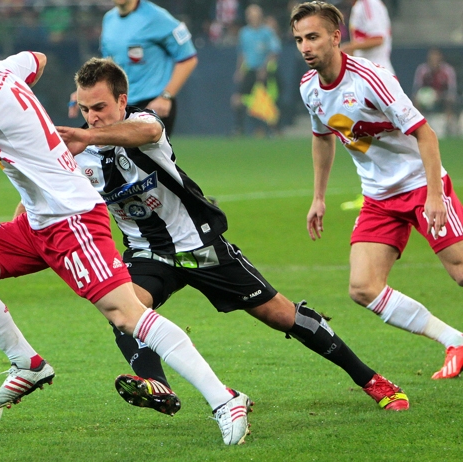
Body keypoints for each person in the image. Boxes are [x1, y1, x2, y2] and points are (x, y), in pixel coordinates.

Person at [0, 25, 250, 446]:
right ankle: (27, 364)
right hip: (36, 221)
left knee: (125, 315)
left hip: (72, 218)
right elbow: (38, 59)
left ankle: (225, 399)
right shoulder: (3, 71)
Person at [55, 57, 410, 417]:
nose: (91, 117)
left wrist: (88, 135)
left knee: (281, 315)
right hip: (149, 253)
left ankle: (371, 379)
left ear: (121, 101)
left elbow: (146, 133)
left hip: (200, 246)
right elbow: (46, 193)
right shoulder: (78, 155)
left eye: (100, 107)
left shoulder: (143, 123)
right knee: (120, 307)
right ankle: (157, 385)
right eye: (84, 110)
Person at [290, 1, 463, 380]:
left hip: (420, 184)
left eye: (313, 37)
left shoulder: (372, 78)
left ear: (337, 38)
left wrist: (435, 195)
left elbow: (425, 133)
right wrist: (318, 197)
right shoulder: (309, 89)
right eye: (300, 39)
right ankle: (455, 340)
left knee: (460, 270)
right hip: (379, 198)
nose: (305, 46)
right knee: (363, 287)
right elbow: (322, 139)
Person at [69, 0, 197, 136]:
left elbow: (188, 58)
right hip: (121, 105)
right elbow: (108, 66)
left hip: (151, 104)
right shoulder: (109, 19)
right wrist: (87, 92)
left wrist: (166, 96)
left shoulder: (157, 17)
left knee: (144, 157)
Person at [340, 0, 394, 211]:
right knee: (370, 139)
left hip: (377, 78)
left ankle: (380, 194)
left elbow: (378, 38)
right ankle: (374, 193)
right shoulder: (361, 5)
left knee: (378, 138)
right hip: (368, 77)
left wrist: (349, 47)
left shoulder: (368, 4)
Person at [231, 4, 281, 136]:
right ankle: (238, 128)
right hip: (250, 69)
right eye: (250, 16)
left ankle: (272, 130)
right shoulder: (244, 33)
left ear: (260, 16)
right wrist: (239, 70)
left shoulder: (267, 32)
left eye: (255, 15)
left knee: (266, 101)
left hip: (263, 71)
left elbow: (274, 51)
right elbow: (242, 54)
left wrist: (265, 68)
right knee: (237, 99)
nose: (252, 18)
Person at [412, 48, 459, 138]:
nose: (434, 61)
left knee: (450, 100)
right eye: (431, 59)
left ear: (440, 59)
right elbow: (416, 92)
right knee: (416, 100)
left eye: (436, 59)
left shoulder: (448, 71)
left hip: (442, 105)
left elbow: (452, 94)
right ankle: (418, 123)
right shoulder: (422, 70)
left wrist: (438, 96)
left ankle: (448, 124)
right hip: (425, 106)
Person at [341, 0, 394, 73]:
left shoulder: (368, 3)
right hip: (367, 69)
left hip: (376, 69)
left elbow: (377, 39)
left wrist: (347, 47)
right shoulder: (359, 5)